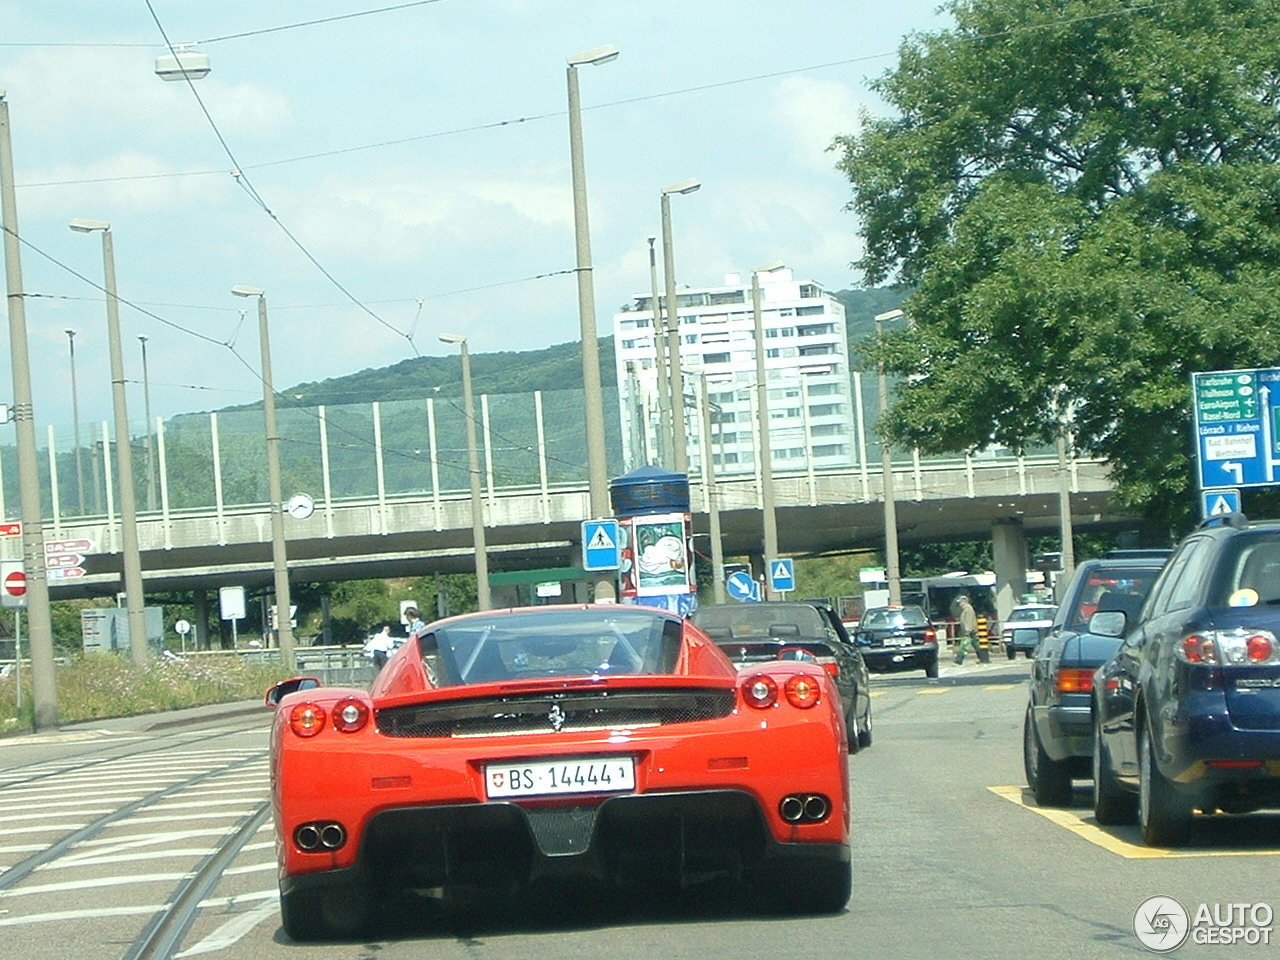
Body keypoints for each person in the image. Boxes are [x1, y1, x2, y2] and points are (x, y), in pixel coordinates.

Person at [953, 595, 979, 664]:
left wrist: (968, 630)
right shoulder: (966, 609)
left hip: (970, 631)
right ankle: (982, 657)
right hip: (971, 631)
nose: (959, 604)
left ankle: (959, 659)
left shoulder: (968, 609)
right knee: (975, 645)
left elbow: (968, 620)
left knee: (964, 645)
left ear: (964, 602)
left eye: (960, 602)